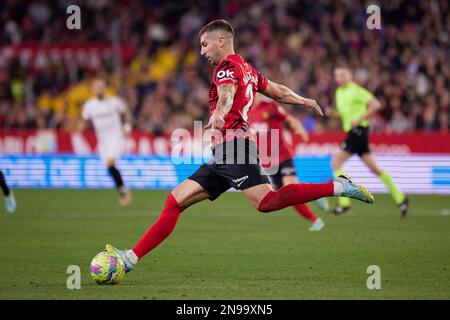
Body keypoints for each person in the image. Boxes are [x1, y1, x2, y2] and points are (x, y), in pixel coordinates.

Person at [105, 20, 374, 273]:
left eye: (204, 44)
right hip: (223, 153)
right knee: (175, 200)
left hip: (235, 149)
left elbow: (226, 94)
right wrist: (303, 100)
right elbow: (277, 91)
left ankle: (339, 186)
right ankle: (129, 259)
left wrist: (219, 115)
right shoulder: (248, 69)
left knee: (267, 202)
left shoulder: (225, 69)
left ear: (220, 40)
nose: (202, 52)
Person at [328, 67, 409, 216]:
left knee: (335, 163)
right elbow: (346, 114)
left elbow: (376, 105)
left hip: (358, 132)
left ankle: (344, 203)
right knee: (374, 169)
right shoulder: (339, 92)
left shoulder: (356, 90)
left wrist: (361, 118)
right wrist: (334, 114)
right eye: (337, 75)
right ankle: (401, 198)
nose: (339, 78)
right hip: (355, 133)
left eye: (343, 74)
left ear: (350, 75)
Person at [249, 94, 328, 231]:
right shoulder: (247, 113)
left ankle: (316, 219)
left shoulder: (270, 107)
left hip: (283, 155)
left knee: (290, 187)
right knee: (288, 196)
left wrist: (299, 128)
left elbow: (289, 119)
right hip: (268, 162)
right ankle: (315, 206)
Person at [77, 78, 133, 206]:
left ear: (104, 88)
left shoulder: (114, 102)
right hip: (102, 141)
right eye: (97, 87)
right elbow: (84, 119)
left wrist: (127, 126)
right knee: (109, 166)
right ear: (93, 89)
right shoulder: (90, 105)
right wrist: (79, 128)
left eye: (101, 87)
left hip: (116, 137)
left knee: (110, 162)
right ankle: (123, 190)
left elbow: (126, 113)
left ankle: (124, 192)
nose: (99, 89)